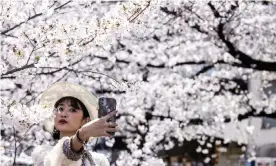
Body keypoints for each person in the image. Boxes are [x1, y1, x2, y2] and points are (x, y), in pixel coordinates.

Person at [31, 82, 119, 166]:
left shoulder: (98, 161)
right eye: (60, 109)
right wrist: (82, 134)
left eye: (72, 110)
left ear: (86, 121)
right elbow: (62, 157)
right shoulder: (42, 154)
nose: (63, 114)